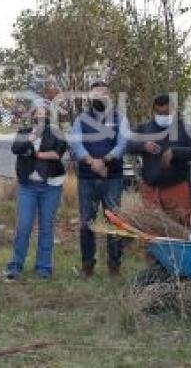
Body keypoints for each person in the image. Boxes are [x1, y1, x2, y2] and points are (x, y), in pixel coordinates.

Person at [70, 81, 130, 277]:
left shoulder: (120, 119)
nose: (99, 98)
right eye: (95, 94)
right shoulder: (81, 120)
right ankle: (88, 266)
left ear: (109, 96)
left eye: (103, 94)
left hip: (112, 178)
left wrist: (104, 161)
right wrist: (93, 163)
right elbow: (77, 145)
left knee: (114, 223)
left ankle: (115, 266)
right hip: (87, 179)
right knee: (87, 223)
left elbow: (122, 144)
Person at [5, 100, 67, 281]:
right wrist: (32, 137)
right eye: (37, 112)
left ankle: (44, 267)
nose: (41, 115)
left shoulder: (56, 132)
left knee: (46, 227)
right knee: (23, 226)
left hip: (51, 186)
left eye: (44, 112)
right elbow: (16, 148)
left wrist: (38, 154)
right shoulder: (24, 132)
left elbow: (57, 154)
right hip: (28, 186)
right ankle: (15, 265)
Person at [128, 94, 191, 225]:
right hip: (151, 191)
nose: (162, 116)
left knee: (179, 230)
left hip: (177, 190)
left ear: (174, 110)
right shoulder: (144, 128)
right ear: (153, 111)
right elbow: (127, 145)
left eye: (166, 112)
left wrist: (175, 152)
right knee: (153, 231)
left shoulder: (185, 129)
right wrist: (143, 145)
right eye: (159, 113)